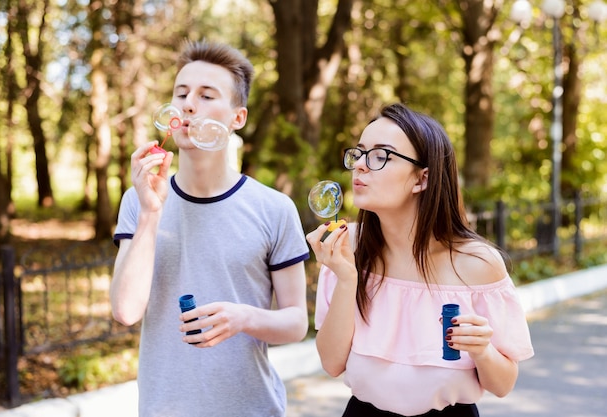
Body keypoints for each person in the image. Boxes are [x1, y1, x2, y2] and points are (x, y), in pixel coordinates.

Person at [110, 40, 310, 417]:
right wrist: (152, 215)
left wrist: (244, 317)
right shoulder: (138, 201)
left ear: (238, 118)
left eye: (206, 95)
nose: (188, 104)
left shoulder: (274, 209)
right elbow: (125, 310)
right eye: (181, 93)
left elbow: (296, 322)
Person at [306, 103, 534, 417]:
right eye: (358, 154)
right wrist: (346, 277)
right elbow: (332, 363)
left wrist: (482, 350)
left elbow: (503, 384)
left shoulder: (477, 264)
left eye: (380, 155)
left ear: (422, 179)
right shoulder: (348, 246)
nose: (359, 166)